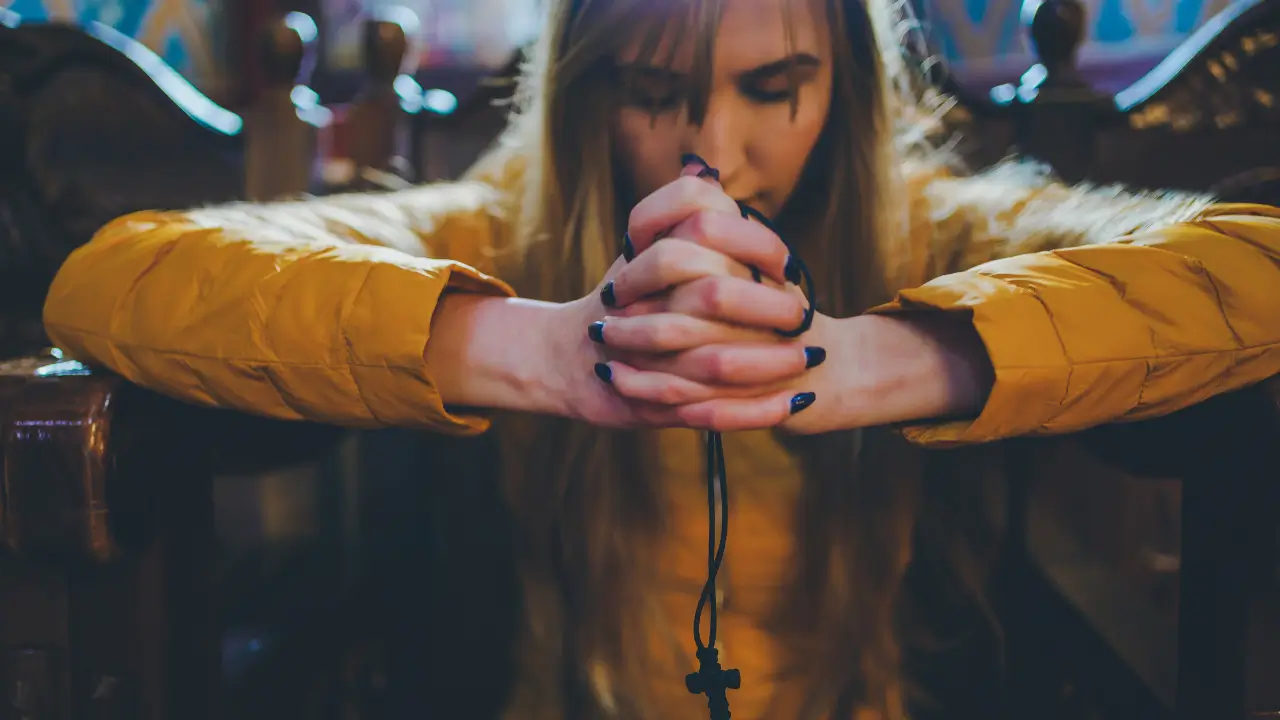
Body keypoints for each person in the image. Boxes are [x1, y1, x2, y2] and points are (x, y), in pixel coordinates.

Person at [42, 0, 1280, 717]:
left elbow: (1255, 262)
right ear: (588, 98)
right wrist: (537, 347)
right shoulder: (502, 224)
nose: (711, 151)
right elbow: (117, 274)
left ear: (841, 84)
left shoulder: (934, 221)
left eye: (772, 88)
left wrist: (896, 357)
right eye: (650, 93)